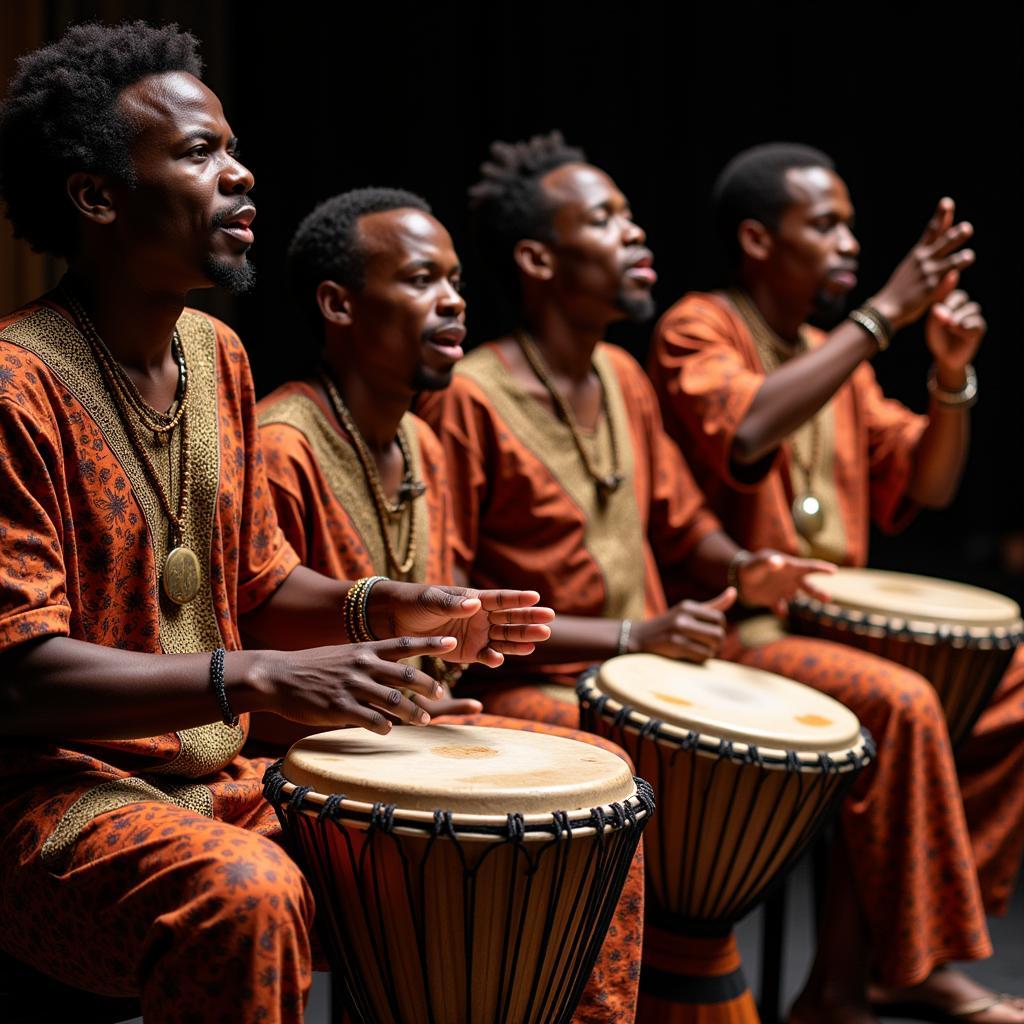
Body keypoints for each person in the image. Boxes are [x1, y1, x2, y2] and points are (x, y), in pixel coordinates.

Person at [0, 24, 551, 1024]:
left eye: (234, 146)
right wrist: (253, 673)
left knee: (505, 838)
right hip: (44, 805)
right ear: (97, 196)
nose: (242, 174)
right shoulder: (15, 383)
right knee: (248, 895)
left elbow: (256, 585)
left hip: (216, 781)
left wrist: (392, 605)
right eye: (201, 153)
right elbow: (18, 674)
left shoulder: (220, 356)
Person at [416, 131, 859, 1021]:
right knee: (623, 765)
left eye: (629, 214)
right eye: (606, 218)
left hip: (642, 672)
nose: (635, 234)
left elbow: (682, 523)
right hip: (534, 690)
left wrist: (745, 567)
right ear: (538, 258)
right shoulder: (468, 396)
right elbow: (455, 611)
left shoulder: (624, 372)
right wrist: (629, 638)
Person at [648, 142, 1024, 1023]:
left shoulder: (833, 352)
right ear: (756, 240)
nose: (850, 242)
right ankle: (881, 972)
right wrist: (886, 314)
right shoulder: (697, 327)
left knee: (1011, 685)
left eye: (851, 222)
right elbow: (746, 432)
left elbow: (926, 485)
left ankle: (893, 961)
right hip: (733, 631)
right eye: (825, 224)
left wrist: (949, 375)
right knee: (899, 703)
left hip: (832, 632)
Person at [256, 185, 645, 1022]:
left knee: (601, 809)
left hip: (405, 747)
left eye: (458, 279)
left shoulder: (426, 442)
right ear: (338, 304)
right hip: (309, 762)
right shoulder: (281, 445)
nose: (454, 299)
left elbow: (441, 611)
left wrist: (453, 656)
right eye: (424, 279)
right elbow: (244, 642)